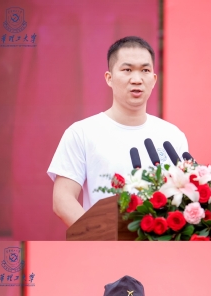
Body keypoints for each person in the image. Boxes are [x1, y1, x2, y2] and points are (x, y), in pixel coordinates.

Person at [48, 36, 189, 228]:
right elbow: (63, 200)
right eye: (127, 70)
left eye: (145, 70)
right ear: (109, 78)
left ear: (154, 79)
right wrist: (97, 235)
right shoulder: (82, 133)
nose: (137, 80)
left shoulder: (172, 136)